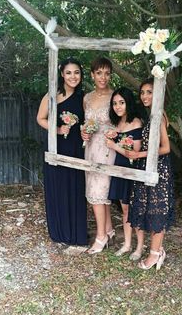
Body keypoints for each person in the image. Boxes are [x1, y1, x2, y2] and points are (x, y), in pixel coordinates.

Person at [37, 57, 87, 246]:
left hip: (75, 147)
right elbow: (40, 118)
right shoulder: (52, 95)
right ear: (62, 74)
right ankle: (59, 231)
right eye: (68, 73)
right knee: (57, 187)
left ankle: (76, 233)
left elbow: (89, 122)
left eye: (76, 72)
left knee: (75, 187)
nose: (73, 76)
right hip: (56, 146)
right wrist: (57, 129)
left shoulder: (84, 97)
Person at [126, 77, 175, 270]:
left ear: (158, 94)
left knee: (157, 211)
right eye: (143, 92)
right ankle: (157, 250)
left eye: (149, 92)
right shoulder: (152, 115)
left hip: (159, 169)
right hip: (148, 167)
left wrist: (140, 154)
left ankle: (155, 255)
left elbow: (166, 148)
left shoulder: (158, 116)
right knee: (151, 210)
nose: (145, 96)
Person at [82, 57, 116, 254]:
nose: (103, 77)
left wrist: (115, 134)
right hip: (90, 149)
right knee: (95, 191)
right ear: (92, 74)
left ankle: (101, 237)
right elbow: (87, 123)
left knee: (99, 192)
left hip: (107, 148)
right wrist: (83, 132)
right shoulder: (86, 98)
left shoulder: (115, 97)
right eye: (99, 73)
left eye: (107, 73)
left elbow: (122, 123)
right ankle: (109, 230)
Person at [106, 87, 144, 261]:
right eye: (114, 103)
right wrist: (112, 135)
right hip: (119, 169)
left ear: (128, 102)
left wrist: (113, 144)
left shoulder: (136, 122)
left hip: (132, 170)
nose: (118, 107)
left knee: (135, 208)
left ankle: (139, 247)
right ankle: (127, 244)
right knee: (125, 208)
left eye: (121, 102)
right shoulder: (118, 124)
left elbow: (134, 151)